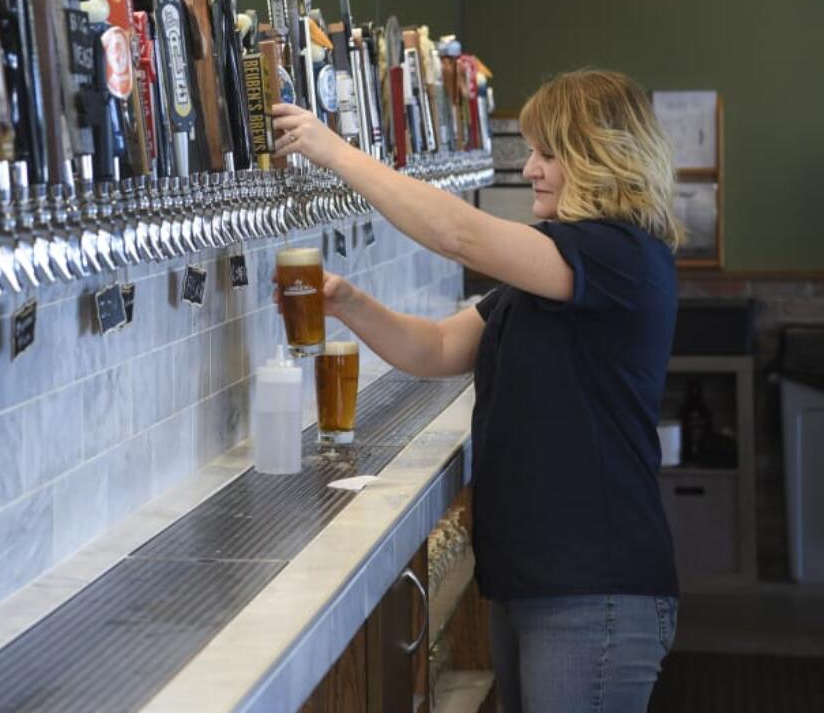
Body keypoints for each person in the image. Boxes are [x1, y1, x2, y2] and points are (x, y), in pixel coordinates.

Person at [272, 70, 681, 713]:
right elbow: (433, 348)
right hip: (535, 584)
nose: (533, 169)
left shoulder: (620, 256)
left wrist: (337, 152)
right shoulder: (550, 276)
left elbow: (458, 235)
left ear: (601, 160)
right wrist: (346, 302)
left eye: (550, 154)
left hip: (595, 590)